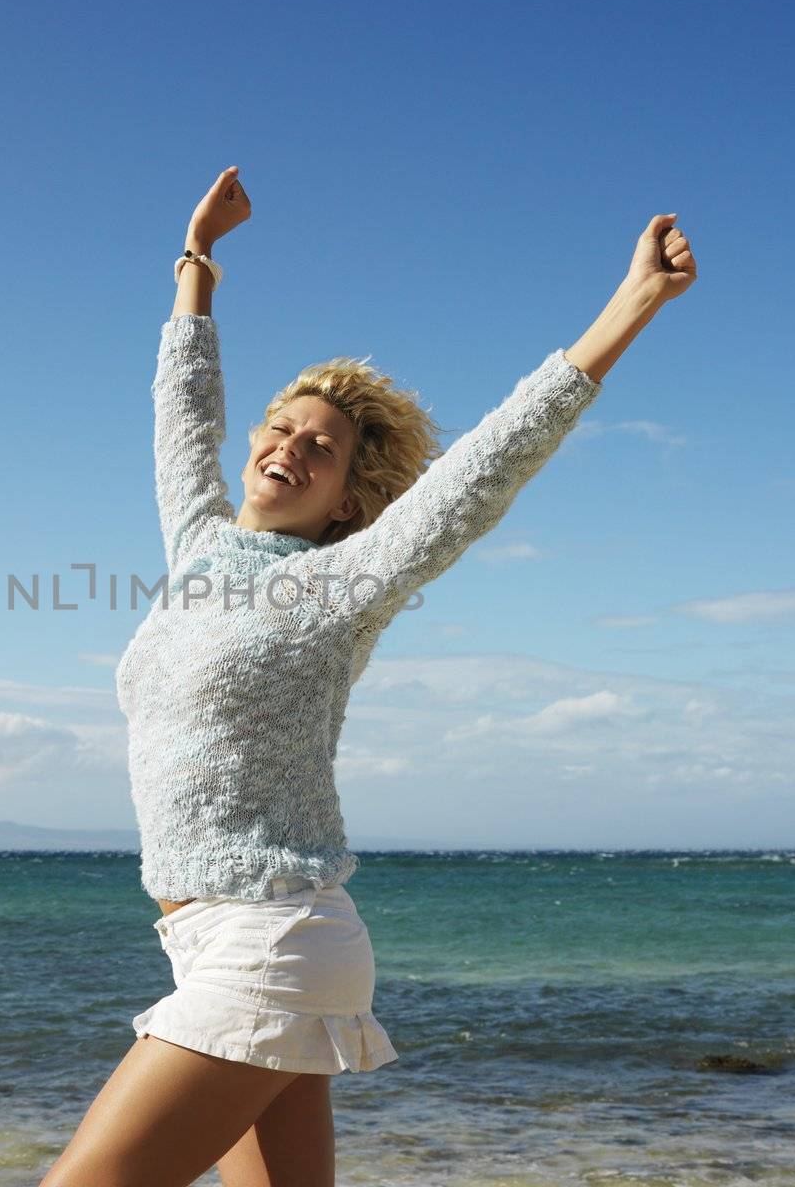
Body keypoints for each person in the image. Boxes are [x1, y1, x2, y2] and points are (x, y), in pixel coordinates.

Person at [41, 167, 698, 1187]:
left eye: (322, 446)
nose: (289, 447)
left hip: (273, 937)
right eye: (282, 428)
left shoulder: (346, 580)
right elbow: (181, 411)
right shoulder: (197, 546)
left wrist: (631, 306)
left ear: (348, 500)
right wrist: (196, 264)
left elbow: (486, 467)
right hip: (206, 942)